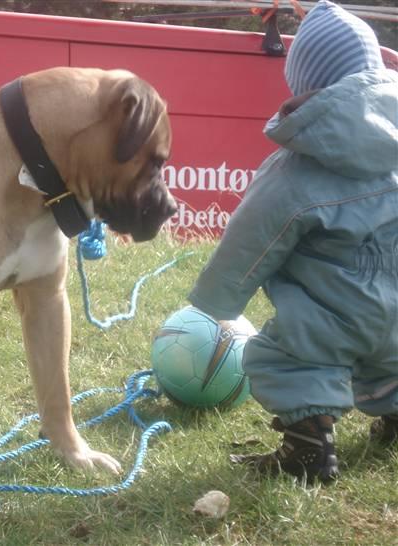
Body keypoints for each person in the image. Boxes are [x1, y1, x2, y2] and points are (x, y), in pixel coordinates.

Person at [187, 0, 398, 484]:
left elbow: (251, 239)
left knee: (286, 357)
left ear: (304, 85)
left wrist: (216, 300)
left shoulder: (293, 170)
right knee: (392, 357)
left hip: (332, 315)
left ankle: (307, 448)